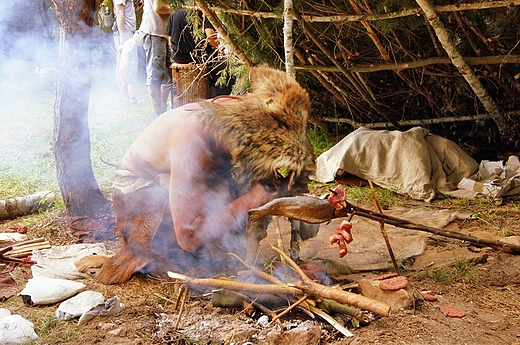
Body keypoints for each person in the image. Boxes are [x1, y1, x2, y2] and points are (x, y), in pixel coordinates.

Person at [75, 66, 316, 285]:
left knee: (247, 196)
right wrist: (252, 199)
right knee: (200, 259)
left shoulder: (241, 108)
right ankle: (160, 255)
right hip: (145, 199)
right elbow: (187, 238)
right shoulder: (193, 145)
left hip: (192, 178)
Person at [167, 9, 232, 97]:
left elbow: (170, 40)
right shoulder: (203, 9)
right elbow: (210, 37)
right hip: (199, 58)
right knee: (227, 71)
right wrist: (220, 48)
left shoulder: (175, 9)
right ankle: (216, 103)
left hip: (177, 57)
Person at [138, 0, 173, 117]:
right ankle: (156, 113)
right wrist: (182, 6)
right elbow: (158, 8)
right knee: (155, 73)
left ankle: (162, 109)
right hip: (153, 32)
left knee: (168, 74)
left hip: (163, 33)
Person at [113, 0, 139, 102]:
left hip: (127, 31)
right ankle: (125, 96)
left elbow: (127, 11)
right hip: (124, 32)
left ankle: (127, 95)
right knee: (124, 65)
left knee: (124, 64)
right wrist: (122, 36)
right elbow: (119, 12)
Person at [118, 31, 143, 103]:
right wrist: (126, 64)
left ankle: (126, 97)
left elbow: (120, 48)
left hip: (123, 67)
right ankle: (133, 99)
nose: (142, 44)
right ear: (138, 39)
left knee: (126, 82)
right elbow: (127, 53)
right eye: (142, 42)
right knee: (132, 83)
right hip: (128, 67)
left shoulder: (128, 42)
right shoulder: (132, 43)